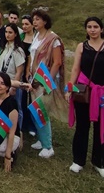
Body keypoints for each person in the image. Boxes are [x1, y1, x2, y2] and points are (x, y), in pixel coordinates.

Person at [67, 17, 104, 178]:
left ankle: (99, 162)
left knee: (101, 128)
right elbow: (75, 69)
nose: (92, 30)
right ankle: (78, 161)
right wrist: (70, 88)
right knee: (82, 126)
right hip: (83, 88)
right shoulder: (81, 47)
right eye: (89, 27)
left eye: (95, 26)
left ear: (101, 29)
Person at [28, 9, 65, 158]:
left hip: (45, 79)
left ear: (45, 21)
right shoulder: (37, 36)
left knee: (42, 109)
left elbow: (57, 62)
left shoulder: (53, 39)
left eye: (37, 19)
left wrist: (48, 81)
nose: (34, 22)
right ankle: (41, 139)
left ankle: (48, 146)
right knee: (35, 109)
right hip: (34, 78)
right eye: (33, 19)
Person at [0, 23, 27, 128]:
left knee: (16, 108)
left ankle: (18, 131)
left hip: (13, 82)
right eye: (6, 32)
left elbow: (19, 70)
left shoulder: (18, 50)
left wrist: (14, 87)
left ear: (15, 34)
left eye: (10, 32)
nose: (7, 34)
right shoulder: (5, 47)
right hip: (3, 82)